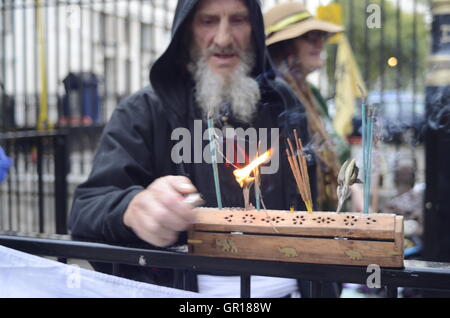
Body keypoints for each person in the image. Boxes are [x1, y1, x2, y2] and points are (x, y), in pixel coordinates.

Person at [69, 0, 341, 298]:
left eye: (237, 20)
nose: (223, 39)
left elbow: (305, 208)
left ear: (255, 28)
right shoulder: (144, 111)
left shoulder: (283, 103)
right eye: (208, 21)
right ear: (186, 30)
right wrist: (132, 209)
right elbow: (86, 210)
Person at [264, 2, 358, 212]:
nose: (320, 44)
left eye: (322, 37)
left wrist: (354, 188)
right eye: (311, 37)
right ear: (284, 46)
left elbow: (333, 149)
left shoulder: (313, 94)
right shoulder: (272, 100)